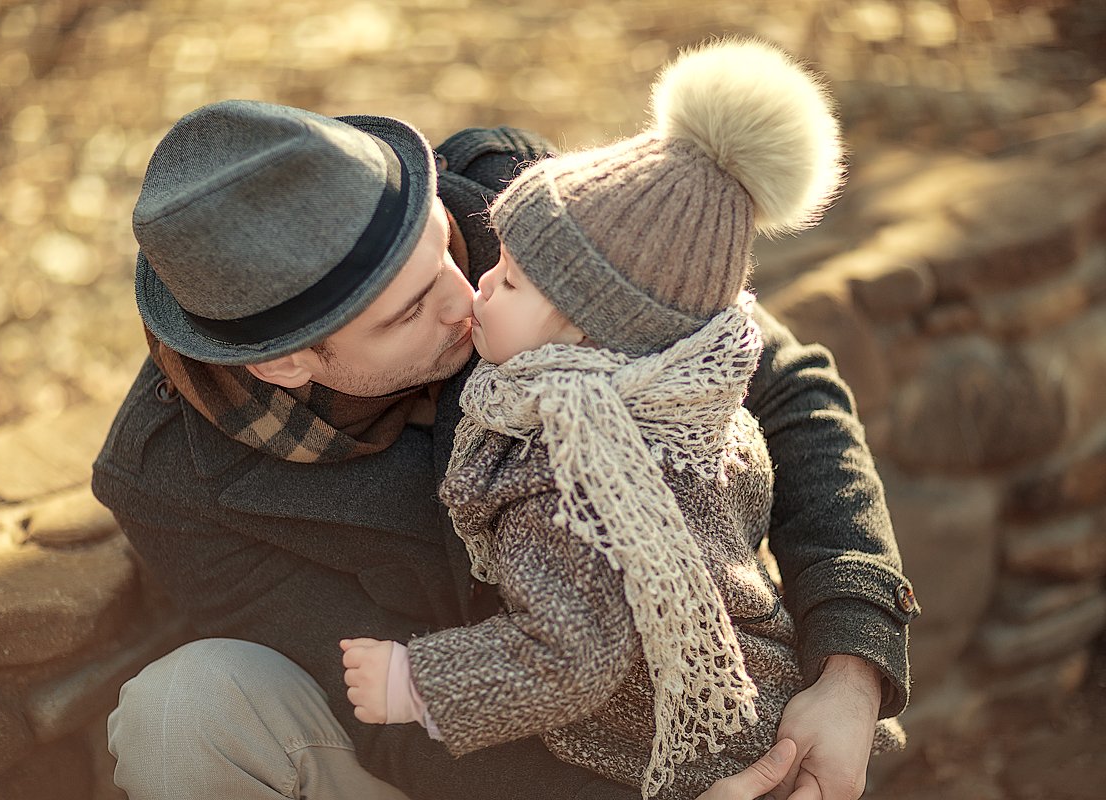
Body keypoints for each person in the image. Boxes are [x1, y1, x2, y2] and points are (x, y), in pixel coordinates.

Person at [94, 44, 920, 800]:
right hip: (467, 758)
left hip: (705, 709)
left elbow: (785, 389)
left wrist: (851, 670)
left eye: (446, 246)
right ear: (283, 365)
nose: (467, 295)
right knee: (181, 710)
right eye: (411, 308)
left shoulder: (526, 212)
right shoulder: (174, 481)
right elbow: (391, 720)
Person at [338, 41, 904, 800]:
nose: (477, 287)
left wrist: (415, 683)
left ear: (587, 335)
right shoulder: (688, 396)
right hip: (760, 692)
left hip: (691, 757)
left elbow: (572, 657)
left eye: (506, 279)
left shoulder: (575, 469)